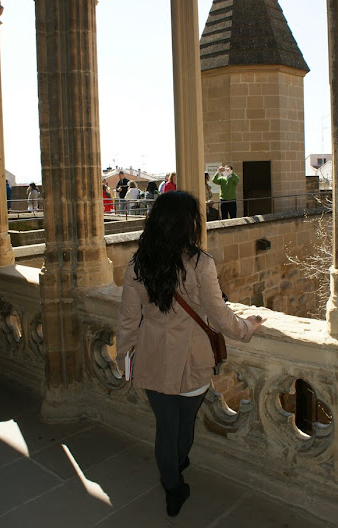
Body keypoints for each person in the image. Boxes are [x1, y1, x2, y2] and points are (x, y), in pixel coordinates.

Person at [116, 191, 265, 517]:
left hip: (152, 358)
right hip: (192, 360)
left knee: (165, 427)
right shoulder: (201, 264)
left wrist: (124, 358)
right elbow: (219, 314)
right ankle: (175, 472)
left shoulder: (138, 264)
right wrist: (248, 328)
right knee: (184, 427)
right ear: (189, 224)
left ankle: (172, 484)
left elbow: (128, 320)